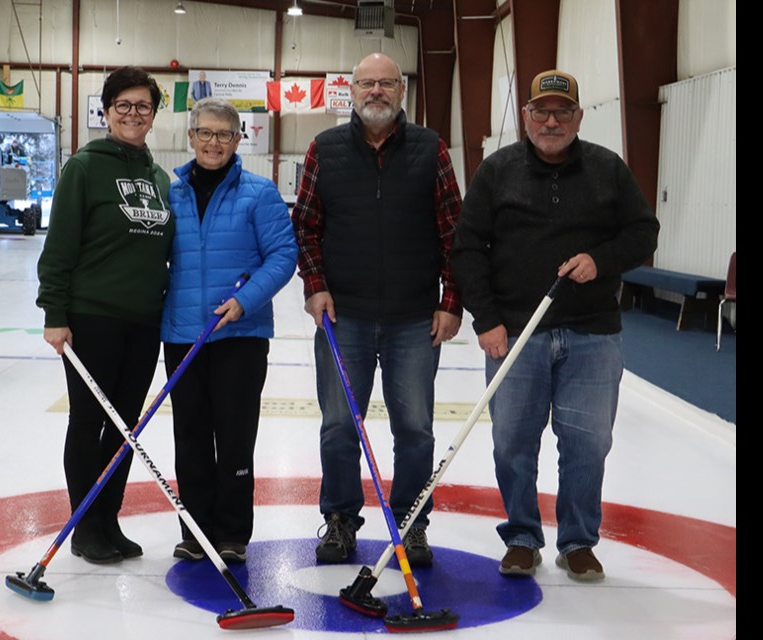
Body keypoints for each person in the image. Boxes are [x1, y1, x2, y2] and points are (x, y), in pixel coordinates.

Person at [451, 69, 660, 581]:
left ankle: (578, 542)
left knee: (588, 442)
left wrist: (601, 259)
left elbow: (643, 234)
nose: (551, 121)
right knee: (512, 442)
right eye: (541, 112)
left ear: (578, 118)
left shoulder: (608, 169)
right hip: (516, 335)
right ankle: (522, 536)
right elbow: (467, 247)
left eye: (562, 112)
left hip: (593, 334)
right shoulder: (497, 171)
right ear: (525, 117)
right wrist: (488, 320)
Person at [292, 52, 463, 566]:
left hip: (415, 319)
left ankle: (410, 524)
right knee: (340, 425)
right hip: (345, 317)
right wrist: (315, 288)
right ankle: (341, 519)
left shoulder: (432, 149)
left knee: (415, 429)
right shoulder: (325, 149)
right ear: (352, 89)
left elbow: (455, 233)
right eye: (366, 83)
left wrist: (451, 301)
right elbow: (305, 225)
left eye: (386, 83)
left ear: (402, 89)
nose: (376, 92)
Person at [36, 66, 174, 564]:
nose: (133, 114)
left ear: (154, 115)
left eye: (143, 106)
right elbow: (58, 249)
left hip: (143, 323)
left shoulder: (160, 178)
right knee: (89, 420)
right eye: (124, 105)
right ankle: (84, 525)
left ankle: (109, 518)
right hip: (92, 317)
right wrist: (55, 312)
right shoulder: (85, 167)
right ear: (107, 111)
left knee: (125, 427)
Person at [163, 97, 297, 563]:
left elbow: (283, 256)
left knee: (236, 435)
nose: (214, 143)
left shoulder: (259, 194)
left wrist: (245, 300)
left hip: (240, 336)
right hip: (183, 335)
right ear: (191, 137)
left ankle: (232, 534)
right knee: (191, 435)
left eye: (224, 134)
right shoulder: (171, 193)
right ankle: (195, 530)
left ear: (239, 140)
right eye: (205, 133)